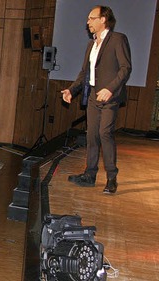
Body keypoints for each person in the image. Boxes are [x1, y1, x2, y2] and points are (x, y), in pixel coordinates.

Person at [61, 5, 131, 195]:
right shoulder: (91, 44)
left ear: (103, 19)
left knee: (105, 133)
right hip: (93, 96)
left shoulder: (118, 39)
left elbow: (125, 68)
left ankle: (111, 178)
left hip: (110, 96)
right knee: (92, 136)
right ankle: (89, 175)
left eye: (91, 18)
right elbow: (84, 73)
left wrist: (110, 88)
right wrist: (71, 90)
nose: (88, 22)